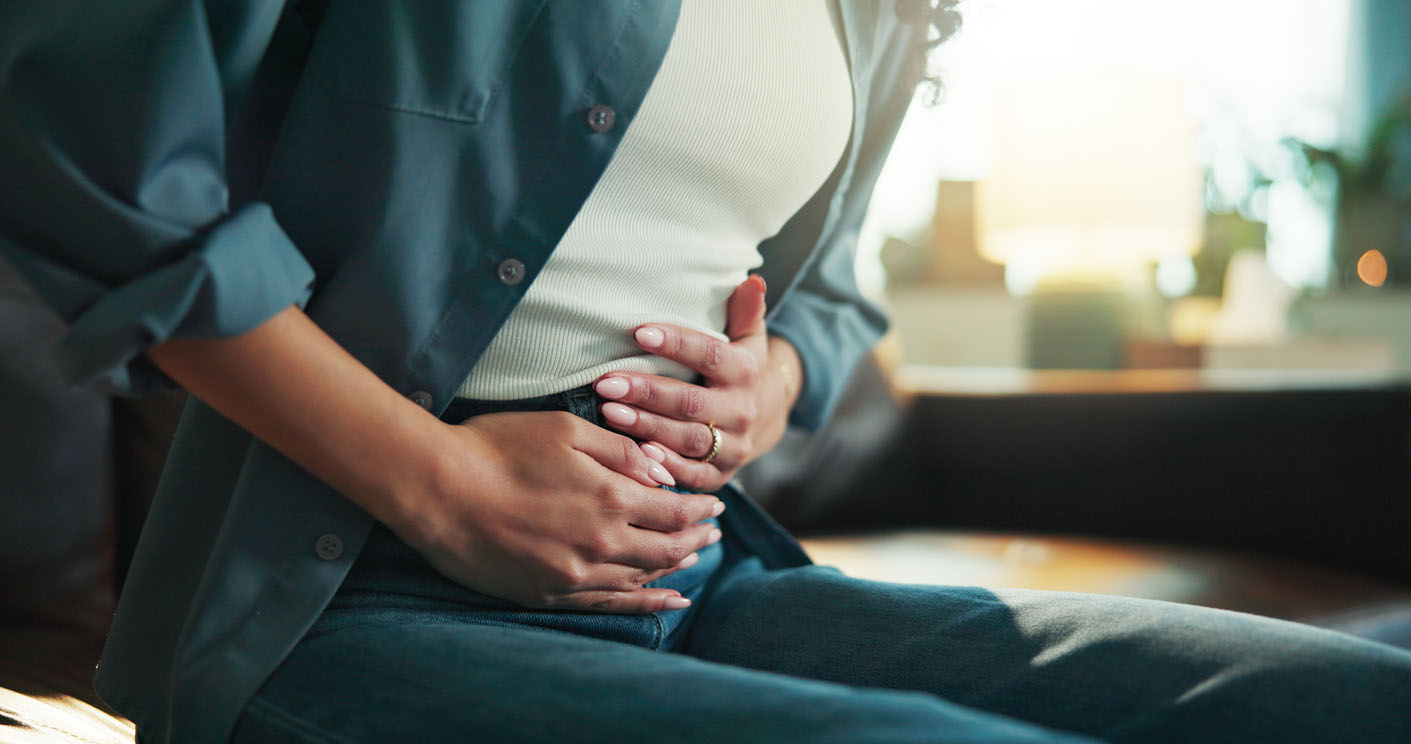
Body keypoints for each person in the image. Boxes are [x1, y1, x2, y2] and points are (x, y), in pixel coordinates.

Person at [2, 1, 1409, 742]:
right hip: (348, 600)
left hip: (707, 575)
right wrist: (440, 484)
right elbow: (86, 163)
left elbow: (839, 290)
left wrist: (775, 381)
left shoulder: (876, 10)